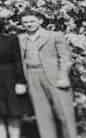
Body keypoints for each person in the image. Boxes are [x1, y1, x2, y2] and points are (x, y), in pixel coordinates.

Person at [17, 10, 78, 138]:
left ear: (40, 21)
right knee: (42, 112)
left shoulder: (54, 35)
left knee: (64, 112)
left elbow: (65, 58)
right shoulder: (20, 39)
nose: (29, 24)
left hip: (54, 76)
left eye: (32, 21)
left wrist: (63, 76)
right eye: (25, 22)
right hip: (32, 75)